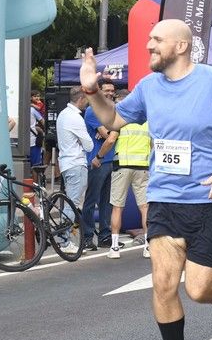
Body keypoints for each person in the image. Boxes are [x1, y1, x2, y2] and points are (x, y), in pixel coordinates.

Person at [79, 18, 212, 340]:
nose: (149, 46)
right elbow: (113, 118)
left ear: (180, 46)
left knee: (198, 289)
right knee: (162, 283)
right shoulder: (148, 87)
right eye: (149, 40)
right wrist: (93, 90)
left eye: (156, 40)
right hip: (165, 197)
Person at [108, 90, 151, 259]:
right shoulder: (146, 121)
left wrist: (98, 157)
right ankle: (148, 246)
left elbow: (111, 140)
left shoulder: (122, 119)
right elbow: (153, 144)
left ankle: (114, 248)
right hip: (143, 166)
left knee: (117, 206)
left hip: (122, 166)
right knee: (145, 207)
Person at [82, 80, 118, 250]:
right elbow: (107, 135)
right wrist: (110, 131)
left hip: (110, 159)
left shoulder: (111, 110)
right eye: (106, 90)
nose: (110, 93)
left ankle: (104, 236)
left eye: (112, 90)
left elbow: (110, 133)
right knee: (91, 200)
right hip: (96, 160)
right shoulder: (92, 110)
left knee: (106, 202)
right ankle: (87, 236)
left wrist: (109, 132)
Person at [55, 86, 92, 231]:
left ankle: (66, 237)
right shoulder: (75, 117)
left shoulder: (63, 114)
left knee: (70, 202)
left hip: (66, 163)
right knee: (72, 204)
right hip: (76, 163)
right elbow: (88, 145)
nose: (88, 103)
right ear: (81, 99)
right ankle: (65, 240)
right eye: (87, 99)